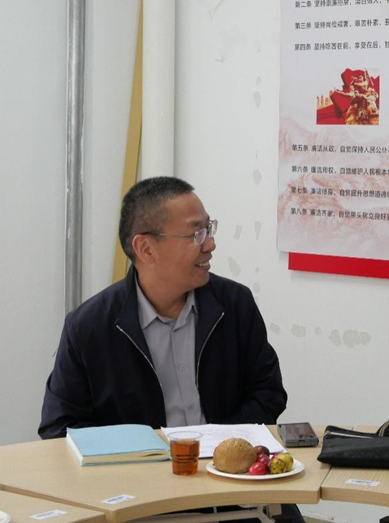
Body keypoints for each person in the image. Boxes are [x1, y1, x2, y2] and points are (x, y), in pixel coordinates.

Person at [39, 176, 287, 439]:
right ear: (146, 249)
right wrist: (144, 454)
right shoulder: (88, 327)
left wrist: (221, 446)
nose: (210, 244)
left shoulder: (235, 304)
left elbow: (268, 392)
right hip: (138, 466)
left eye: (209, 228)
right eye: (196, 234)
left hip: (226, 462)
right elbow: (60, 428)